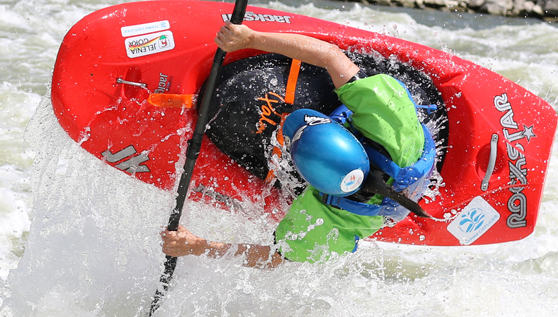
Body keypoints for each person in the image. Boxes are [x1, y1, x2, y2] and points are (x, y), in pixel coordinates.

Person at [160, 21, 436, 267]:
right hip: (397, 145)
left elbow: (274, 258)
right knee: (348, 80)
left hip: (379, 190)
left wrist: (196, 247)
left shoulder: (330, 221)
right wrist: (251, 39)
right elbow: (330, 55)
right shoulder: (384, 117)